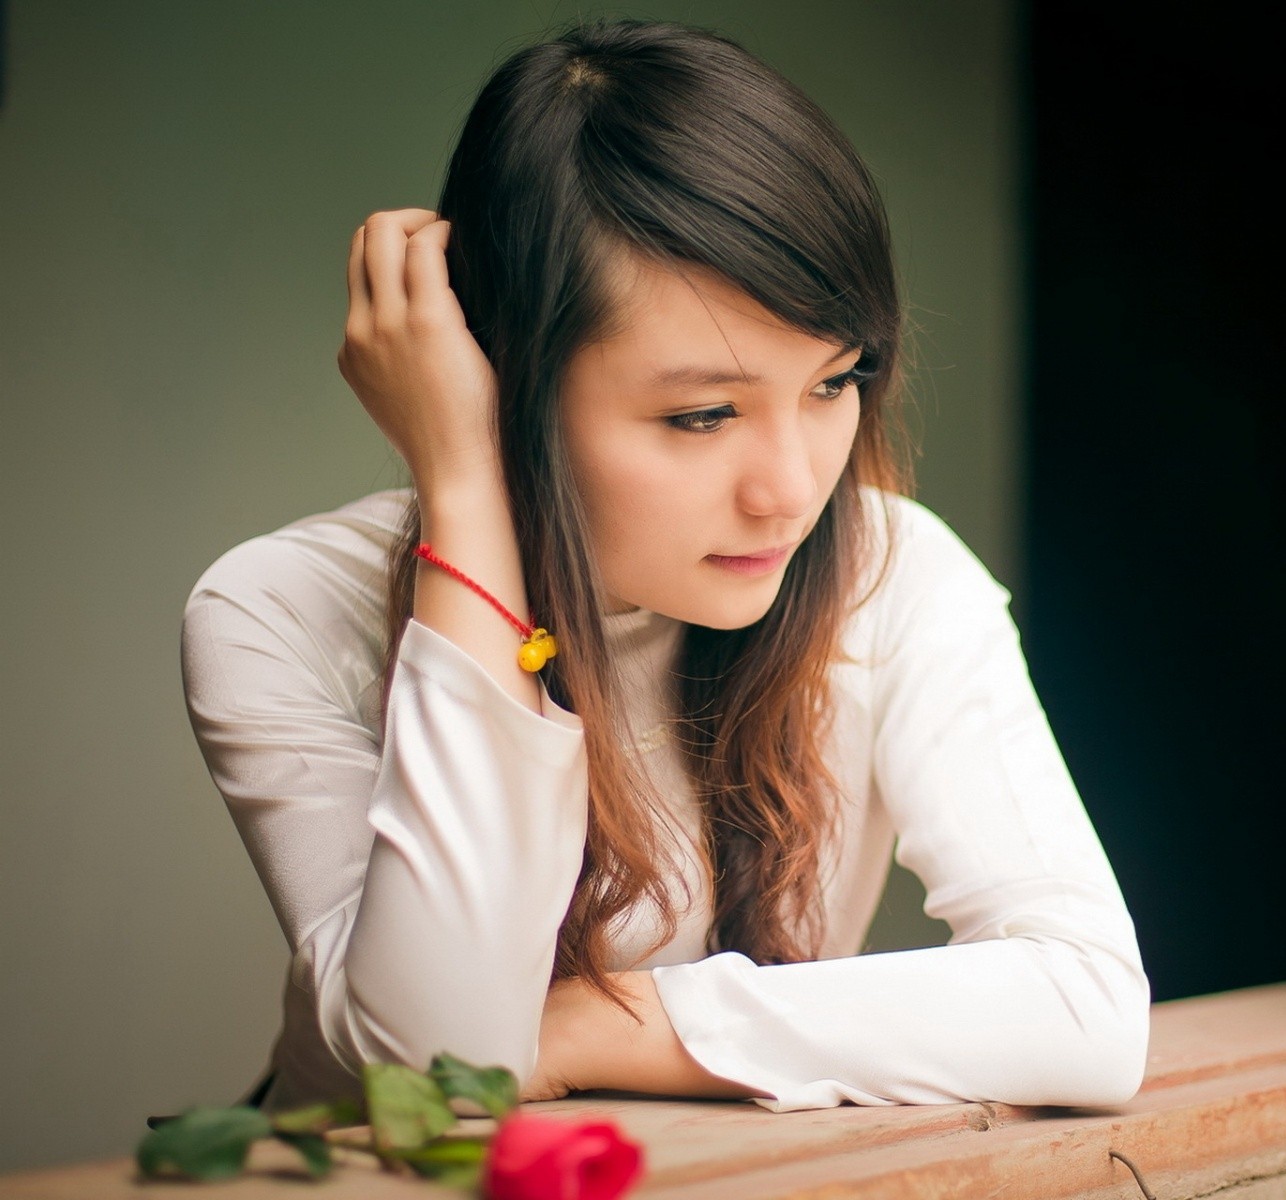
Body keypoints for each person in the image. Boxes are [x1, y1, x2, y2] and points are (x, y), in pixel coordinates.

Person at [180, 18, 1148, 1115]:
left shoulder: (894, 579)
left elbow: (1084, 1005)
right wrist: (464, 479)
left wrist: (600, 1020)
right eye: (702, 415)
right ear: (505, 377)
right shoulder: (280, 613)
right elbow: (438, 1064)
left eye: (834, 384)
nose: (789, 486)